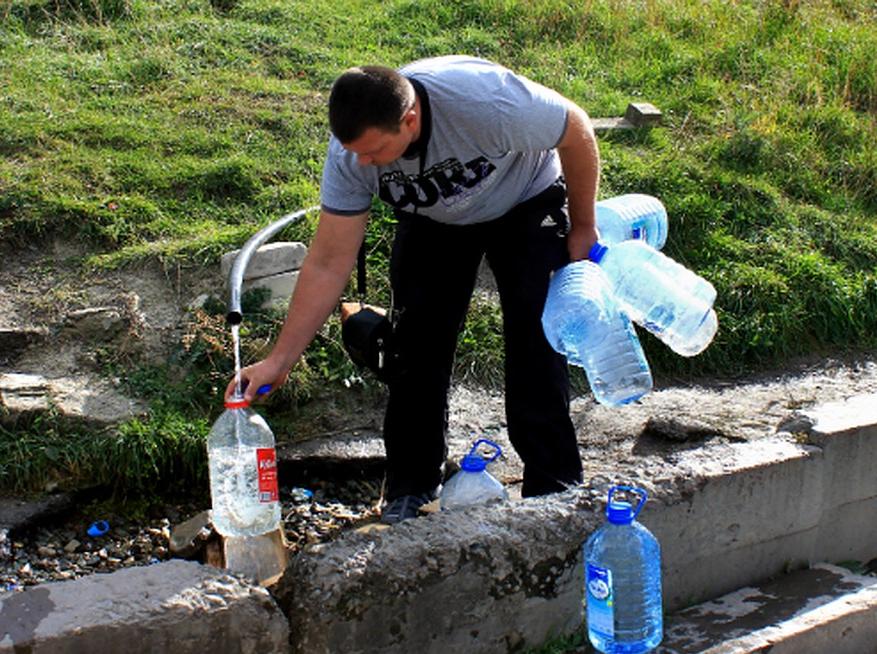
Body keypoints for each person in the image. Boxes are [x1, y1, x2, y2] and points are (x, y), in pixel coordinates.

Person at [231, 55, 602, 524]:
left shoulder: (486, 101)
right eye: (355, 152)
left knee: (536, 343)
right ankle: (412, 487)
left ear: (410, 120)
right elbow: (328, 262)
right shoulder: (352, 154)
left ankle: (554, 491)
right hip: (433, 219)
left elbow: (577, 129)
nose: (362, 163)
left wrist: (583, 225)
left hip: (524, 200)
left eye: (373, 151)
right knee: (414, 349)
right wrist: (279, 360)